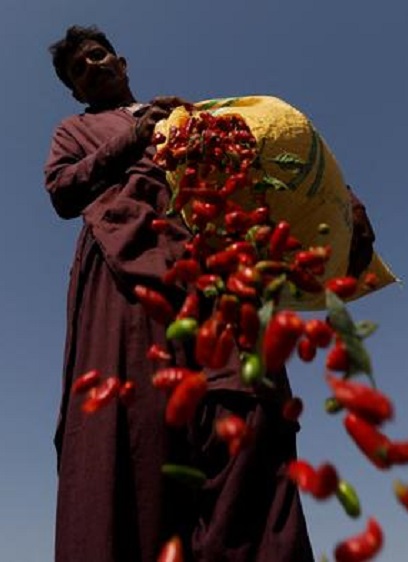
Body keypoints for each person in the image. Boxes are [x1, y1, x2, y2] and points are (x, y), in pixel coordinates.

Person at [43, 25, 376, 562]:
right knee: (138, 426)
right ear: (77, 93)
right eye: (79, 70)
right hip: (129, 273)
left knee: (252, 416)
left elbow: (264, 156)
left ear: (122, 62)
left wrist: (344, 208)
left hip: (218, 272)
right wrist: (132, 139)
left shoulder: (188, 116)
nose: (94, 68)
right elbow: (61, 191)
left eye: (98, 56)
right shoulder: (76, 131)